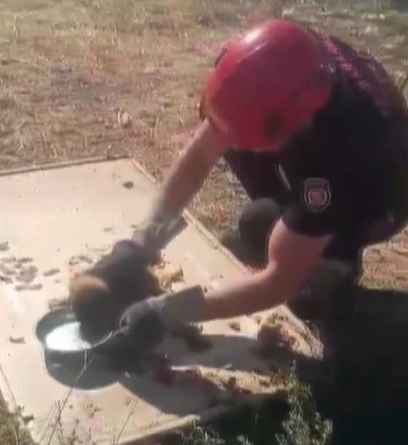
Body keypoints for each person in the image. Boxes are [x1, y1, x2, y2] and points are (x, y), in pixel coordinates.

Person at [94, 19, 408, 349]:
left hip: (381, 196)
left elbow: (276, 284)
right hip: (322, 141)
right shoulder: (277, 59)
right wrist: (142, 242)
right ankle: (294, 222)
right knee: (256, 212)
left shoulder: (341, 159)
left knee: (304, 291)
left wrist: (171, 312)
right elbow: (200, 154)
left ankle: (335, 263)